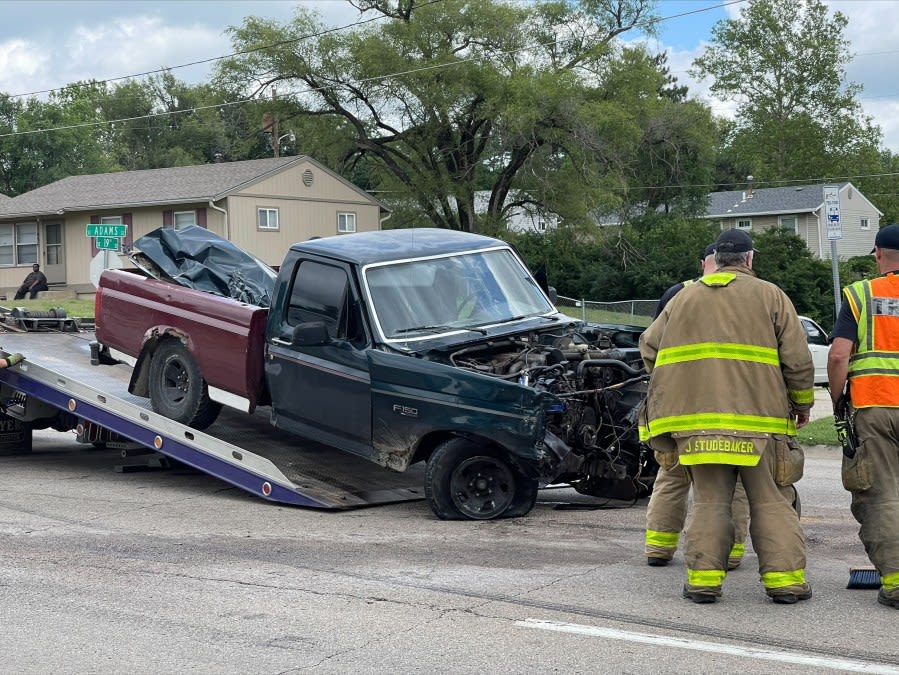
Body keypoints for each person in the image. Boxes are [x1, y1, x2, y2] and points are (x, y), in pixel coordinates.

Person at [639, 228, 815, 604]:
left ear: (716, 259)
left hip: (697, 427)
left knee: (709, 502)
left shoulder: (683, 298)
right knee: (770, 501)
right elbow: (799, 361)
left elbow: (649, 348)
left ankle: (703, 581)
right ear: (749, 259)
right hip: (760, 427)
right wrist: (801, 405)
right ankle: (784, 583)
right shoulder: (771, 295)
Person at [645, 243, 750, 570]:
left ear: (706, 261)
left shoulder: (679, 294)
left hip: (679, 408)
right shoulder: (750, 294)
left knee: (672, 475)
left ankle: (658, 548)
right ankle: (730, 552)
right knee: (735, 479)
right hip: (732, 405)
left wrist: (665, 383)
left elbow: (651, 345)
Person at [828, 223, 899, 610]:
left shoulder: (861, 294)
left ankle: (896, 580)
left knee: (882, 497)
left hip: (876, 406)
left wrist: (839, 400)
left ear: (877, 254)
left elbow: (839, 355)